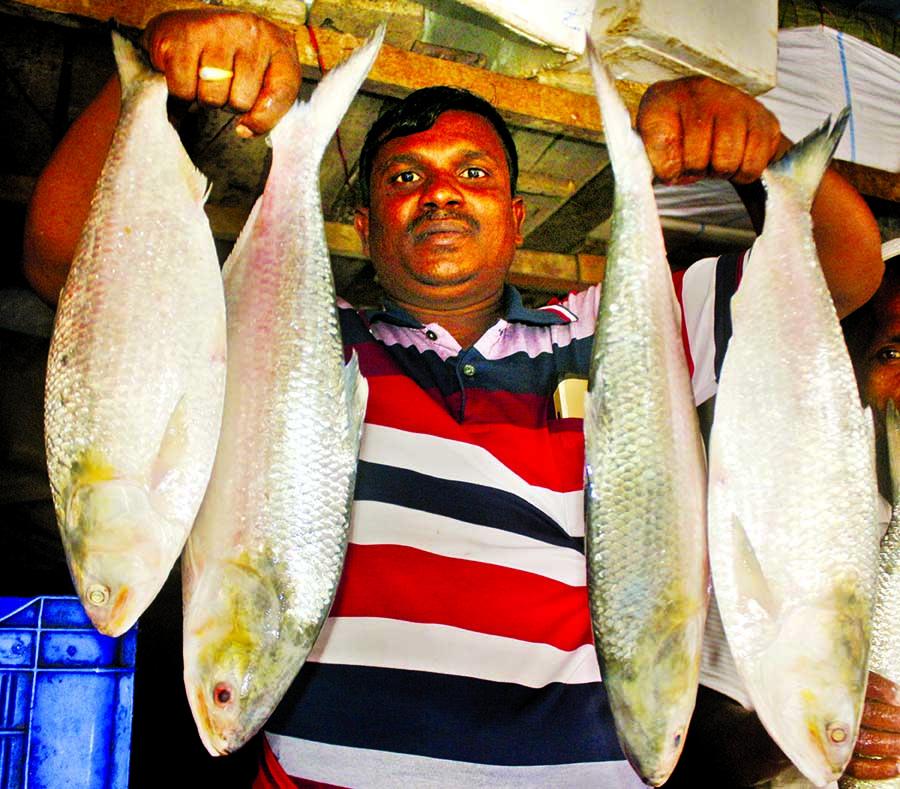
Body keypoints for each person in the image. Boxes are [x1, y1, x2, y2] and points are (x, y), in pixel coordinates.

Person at [20, 8, 899, 787]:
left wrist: (766, 161)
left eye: (473, 174)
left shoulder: (627, 325)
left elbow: (846, 275)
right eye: (404, 178)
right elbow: (72, 264)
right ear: (361, 222)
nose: (440, 191)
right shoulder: (285, 340)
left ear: (517, 217)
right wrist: (154, 72)